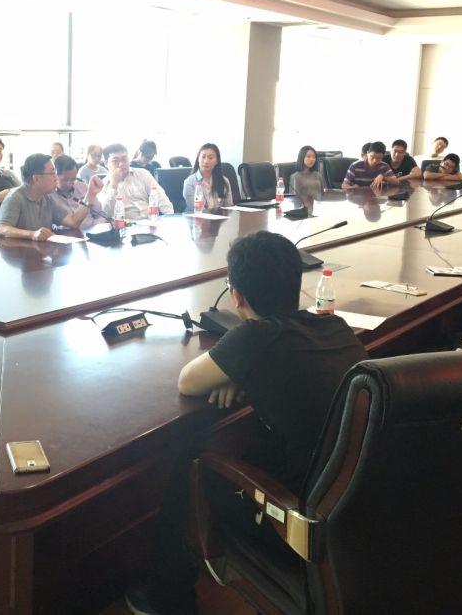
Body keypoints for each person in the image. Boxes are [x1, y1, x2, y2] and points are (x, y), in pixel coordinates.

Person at [125, 231, 367, 615]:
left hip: (301, 522)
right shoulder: (333, 325)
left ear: (237, 296)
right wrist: (240, 372)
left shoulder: (254, 338)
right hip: (355, 507)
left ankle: (167, 599)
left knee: (190, 465)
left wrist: (236, 370)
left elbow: (188, 381)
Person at [0, 153, 104, 240]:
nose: (56, 178)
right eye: (52, 173)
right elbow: (1, 229)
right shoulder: (15, 197)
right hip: (15, 255)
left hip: (39, 253)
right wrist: (32, 234)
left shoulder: (47, 199)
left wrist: (90, 195)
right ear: (36, 179)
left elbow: (73, 221)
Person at [98, 143, 173, 220]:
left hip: (151, 221)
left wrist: (170, 217)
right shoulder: (102, 185)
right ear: (106, 163)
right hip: (125, 224)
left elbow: (161, 197)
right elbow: (105, 214)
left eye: (124, 159)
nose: (121, 164)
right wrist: (113, 185)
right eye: (115, 161)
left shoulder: (143, 174)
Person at [52, 154, 104, 230]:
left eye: (73, 179)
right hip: (67, 234)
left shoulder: (84, 188)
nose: (69, 183)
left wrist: (96, 228)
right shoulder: (49, 195)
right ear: (55, 176)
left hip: (91, 230)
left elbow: (100, 214)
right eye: (65, 180)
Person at [182, 143, 233, 212]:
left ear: (217, 161)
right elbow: (195, 209)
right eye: (203, 157)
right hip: (197, 218)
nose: (206, 161)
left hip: (220, 218)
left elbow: (229, 207)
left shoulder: (224, 181)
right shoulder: (190, 182)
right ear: (198, 159)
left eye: (210, 158)